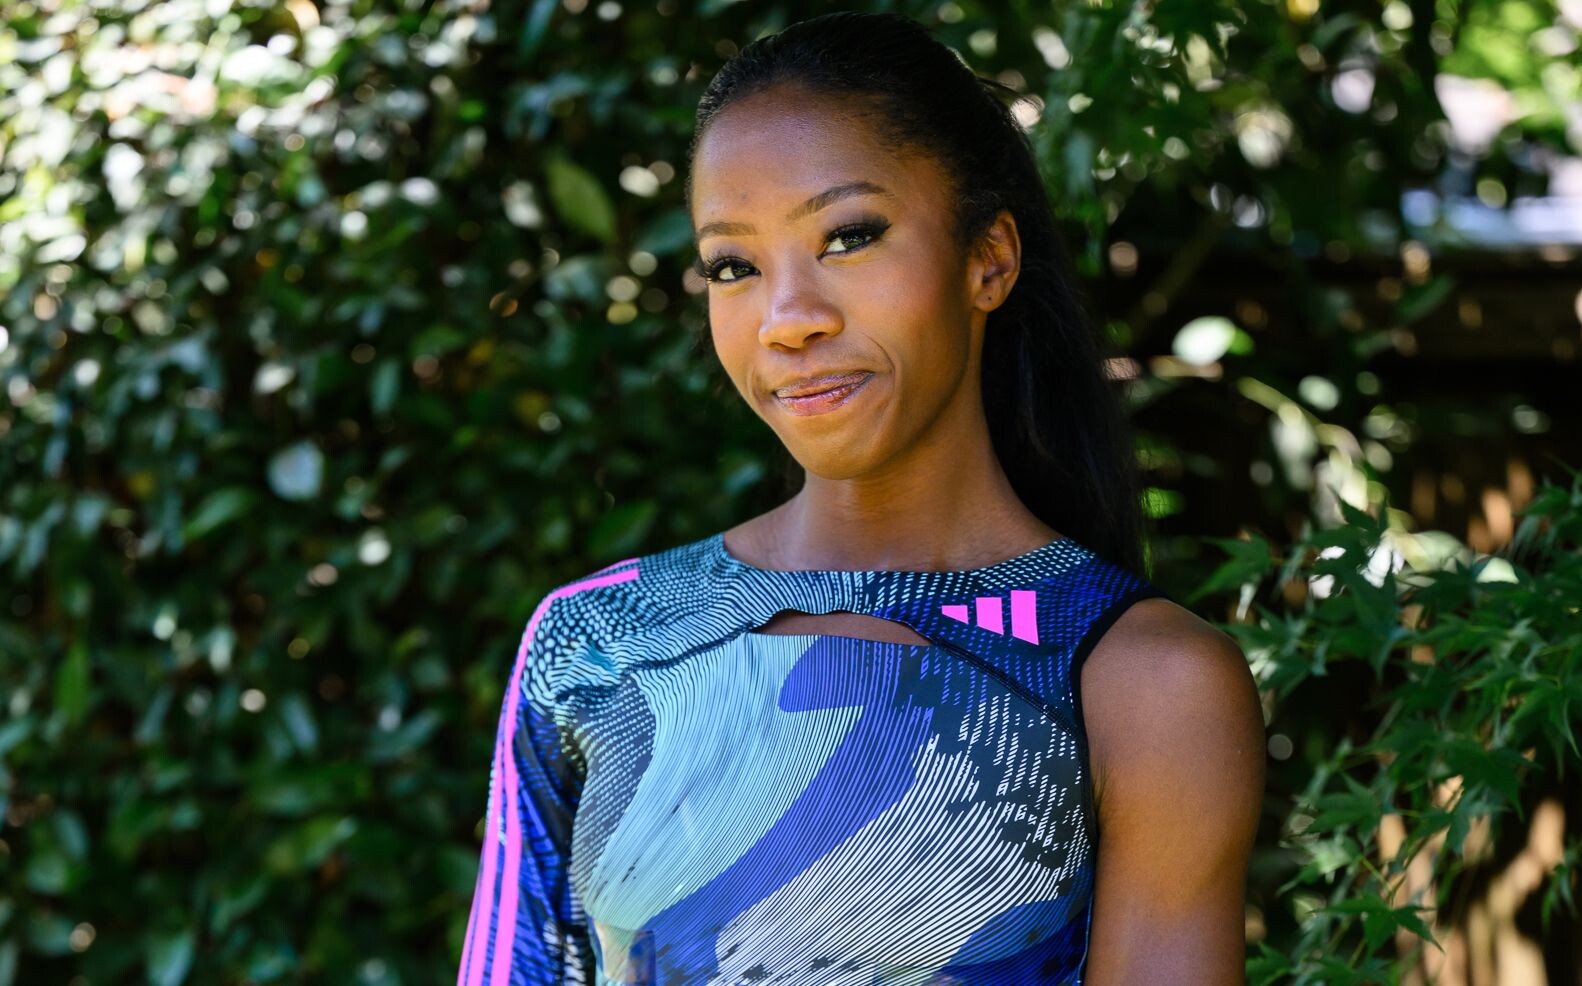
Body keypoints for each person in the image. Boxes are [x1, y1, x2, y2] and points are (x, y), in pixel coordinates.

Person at [458, 11, 1265, 985]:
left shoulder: (1141, 683)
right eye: (733, 266)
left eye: (847, 237)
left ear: (988, 259)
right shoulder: (599, 642)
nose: (787, 319)